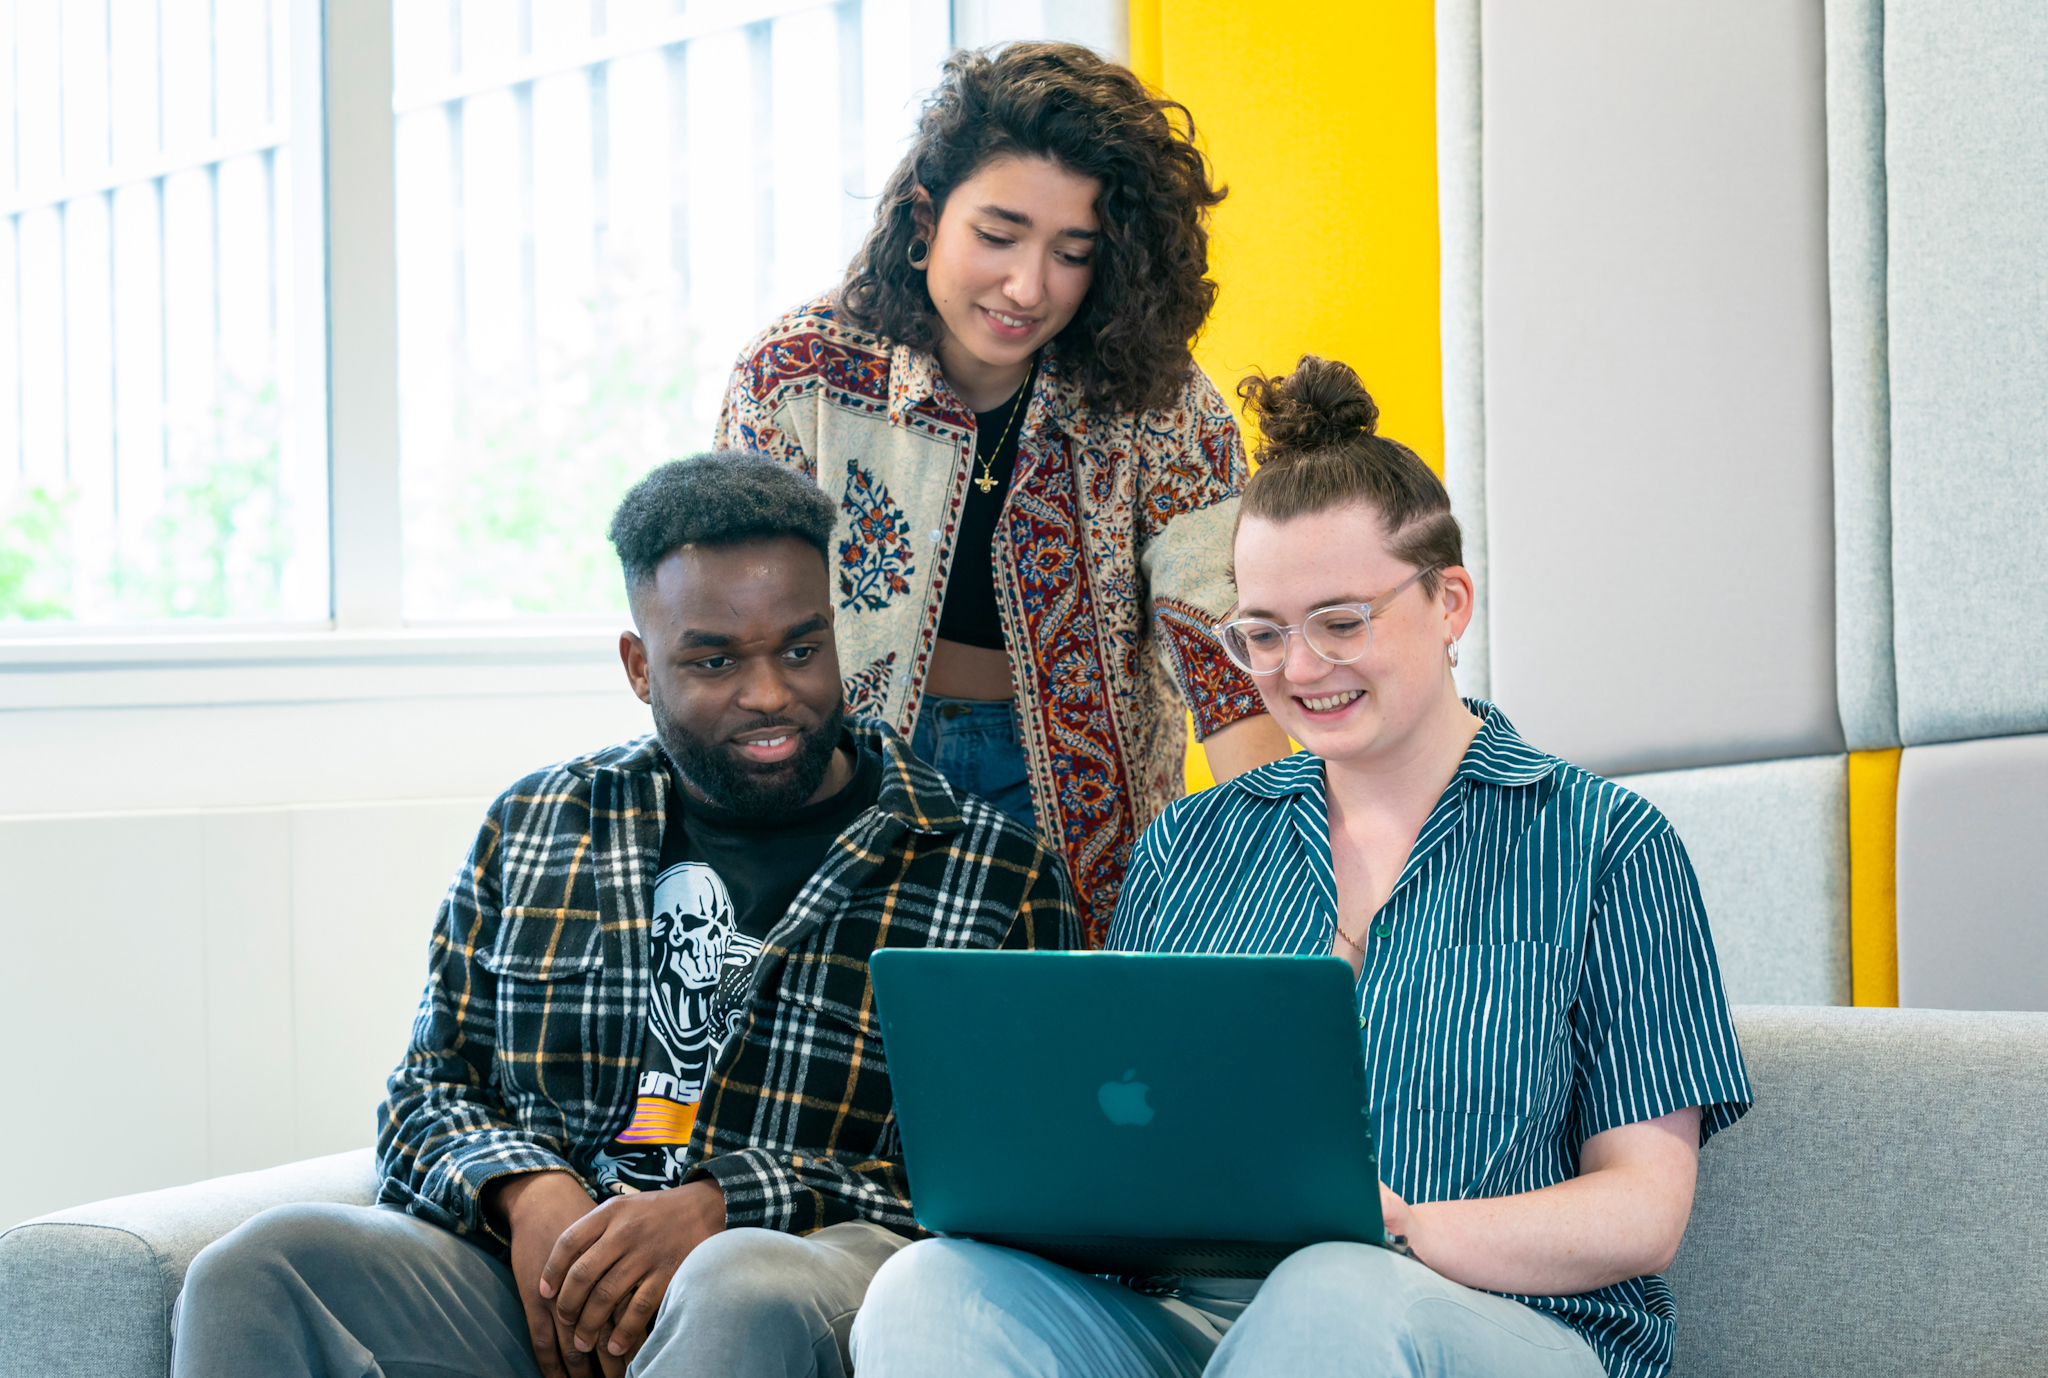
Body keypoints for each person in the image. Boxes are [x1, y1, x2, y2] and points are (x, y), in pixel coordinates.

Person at [845, 359, 1754, 1378]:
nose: (1298, 670)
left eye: (1339, 621)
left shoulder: (1605, 844)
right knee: (928, 1287)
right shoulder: (1190, 849)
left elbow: (1640, 1209)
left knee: (1332, 1285)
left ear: (1447, 602)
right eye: (1261, 634)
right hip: (1210, 1325)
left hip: (1498, 1324)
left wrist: (1401, 1228)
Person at [171, 453, 1079, 1378]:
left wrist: (725, 1204)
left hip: (802, 1276)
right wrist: (523, 1191)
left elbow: (1009, 1191)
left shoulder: (994, 875)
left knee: (735, 1281)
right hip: (551, 1279)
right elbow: (426, 1090)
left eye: (801, 650)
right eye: (714, 660)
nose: (769, 694)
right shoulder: (537, 825)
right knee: (257, 1270)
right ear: (641, 667)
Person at [718, 41, 1292, 941]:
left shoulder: (1162, 405)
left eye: (1074, 252)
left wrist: (1285, 863)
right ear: (925, 214)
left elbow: (1222, 643)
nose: (1029, 288)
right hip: (853, 783)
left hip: (1084, 815)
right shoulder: (796, 377)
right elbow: (737, 629)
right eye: (997, 236)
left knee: (1068, 1064)